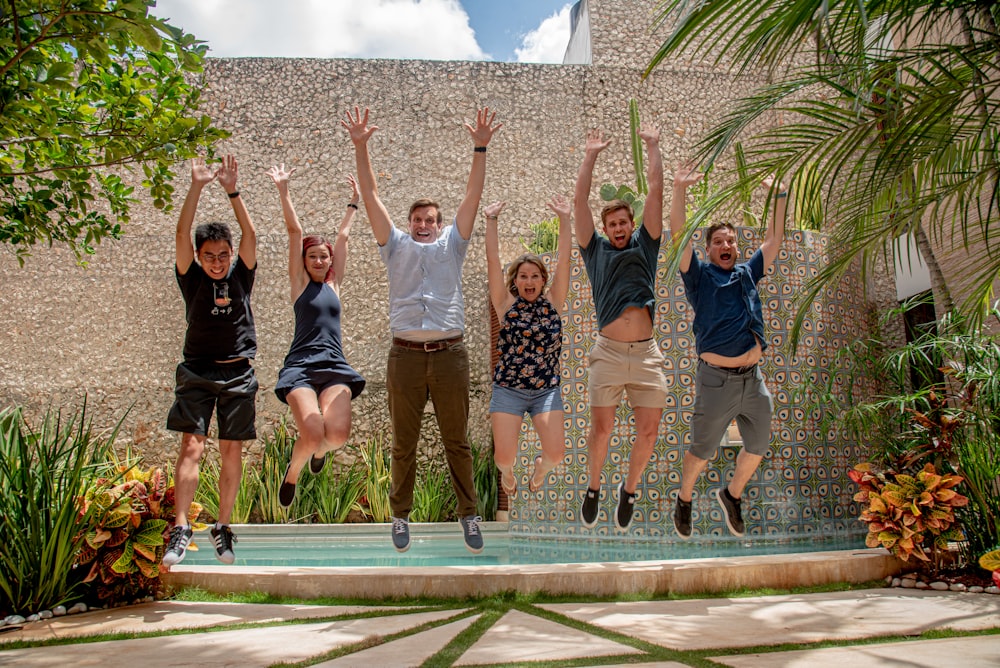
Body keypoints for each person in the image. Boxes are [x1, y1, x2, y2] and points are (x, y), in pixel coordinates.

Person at [342, 106, 502, 553]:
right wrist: (360, 145)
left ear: (439, 223)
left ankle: (469, 516)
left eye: (431, 219)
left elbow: (473, 194)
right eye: (418, 220)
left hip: (450, 355)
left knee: (457, 442)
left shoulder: (454, 243)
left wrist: (480, 146)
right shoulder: (394, 247)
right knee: (403, 442)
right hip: (406, 357)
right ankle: (400, 516)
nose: (425, 225)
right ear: (409, 225)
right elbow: (371, 196)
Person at [670, 164, 787, 538]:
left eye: (731, 241)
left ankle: (731, 494)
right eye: (718, 241)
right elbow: (677, 235)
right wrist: (679, 189)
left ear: (737, 247)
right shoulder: (700, 276)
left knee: (759, 443)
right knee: (702, 450)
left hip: (753, 381)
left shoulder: (749, 272)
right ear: (708, 249)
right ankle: (685, 498)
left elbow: (774, 239)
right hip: (716, 380)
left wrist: (780, 196)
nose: (726, 246)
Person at [163, 156, 258, 566]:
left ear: (231, 253)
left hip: (238, 371)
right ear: (199, 256)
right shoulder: (193, 277)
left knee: (231, 449)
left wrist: (233, 191)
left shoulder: (241, 275)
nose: (217, 262)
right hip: (198, 370)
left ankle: (222, 527)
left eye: (223, 254)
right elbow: (182, 230)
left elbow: (252, 232)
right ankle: (181, 527)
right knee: (191, 446)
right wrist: (197, 186)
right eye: (210, 255)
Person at [573, 125, 666, 531]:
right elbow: (579, 201)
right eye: (611, 223)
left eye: (623, 221)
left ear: (631, 224)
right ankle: (594, 487)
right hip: (609, 353)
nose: (617, 227)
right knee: (602, 430)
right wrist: (590, 155)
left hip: (646, 355)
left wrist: (652, 146)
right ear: (605, 229)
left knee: (647, 433)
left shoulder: (646, 246)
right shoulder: (593, 251)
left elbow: (657, 194)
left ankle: (628, 490)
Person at [267, 165, 367, 508]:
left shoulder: (334, 286)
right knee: (311, 433)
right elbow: (294, 231)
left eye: (324, 257)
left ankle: (319, 454)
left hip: (334, 366)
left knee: (336, 435)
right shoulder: (299, 286)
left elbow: (344, 239)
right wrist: (284, 191)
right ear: (305, 261)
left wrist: (353, 203)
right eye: (313, 256)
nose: (321, 260)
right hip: (301, 369)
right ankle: (292, 473)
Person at [483, 196, 572, 497]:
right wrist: (491, 221)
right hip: (509, 388)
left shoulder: (552, 303)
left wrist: (565, 219)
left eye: (535, 276)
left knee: (556, 455)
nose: (529, 280)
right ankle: (509, 477)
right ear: (516, 281)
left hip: (545, 390)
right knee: (503, 459)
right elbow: (493, 261)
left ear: (543, 280)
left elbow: (566, 260)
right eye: (523, 276)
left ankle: (540, 470)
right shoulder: (505, 305)